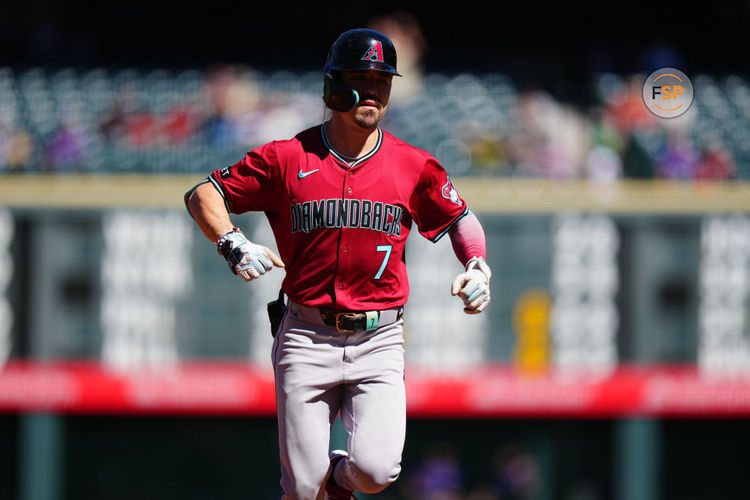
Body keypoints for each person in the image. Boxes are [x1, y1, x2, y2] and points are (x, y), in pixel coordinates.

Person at [185, 28, 492, 500]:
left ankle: (339, 476)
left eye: (382, 81)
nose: (372, 90)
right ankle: (318, 481)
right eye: (360, 78)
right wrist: (231, 243)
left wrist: (477, 265)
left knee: (375, 472)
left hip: (380, 338)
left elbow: (460, 218)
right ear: (332, 86)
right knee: (303, 490)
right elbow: (203, 193)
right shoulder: (287, 157)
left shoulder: (413, 165)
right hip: (307, 335)